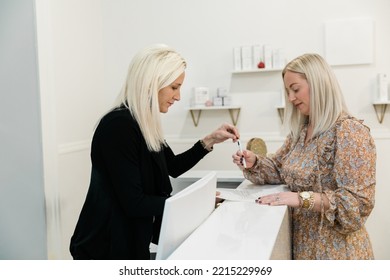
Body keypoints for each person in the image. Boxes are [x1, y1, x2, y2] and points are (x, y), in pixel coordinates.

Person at [70, 44, 240, 260]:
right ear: (151, 84)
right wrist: (199, 202)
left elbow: (173, 167)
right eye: (174, 87)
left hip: (131, 240)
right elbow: (135, 202)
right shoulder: (118, 127)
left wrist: (210, 140)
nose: (178, 97)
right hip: (106, 248)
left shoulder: (144, 123)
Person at [232, 53, 376, 260]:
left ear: (319, 85)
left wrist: (301, 198)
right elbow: (280, 169)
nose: (291, 98)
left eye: (296, 89)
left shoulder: (350, 132)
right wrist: (254, 162)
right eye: (288, 91)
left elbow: (356, 205)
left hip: (336, 252)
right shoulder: (301, 132)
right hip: (304, 247)